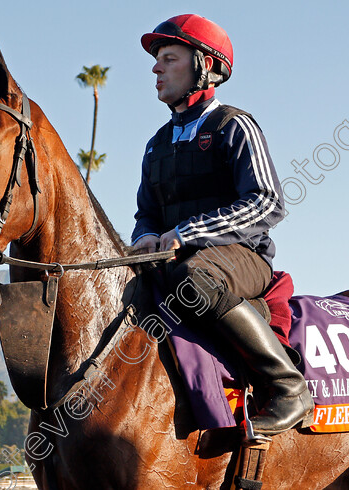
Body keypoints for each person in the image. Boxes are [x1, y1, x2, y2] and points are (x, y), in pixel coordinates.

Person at [131, 14, 313, 435]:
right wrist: (144, 239)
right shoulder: (155, 143)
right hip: (174, 261)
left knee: (195, 277)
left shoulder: (235, 125)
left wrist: (186, 234)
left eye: (169, 58)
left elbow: (267, 202)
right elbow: (146, 213)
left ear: (205, 66)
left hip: (243, 258)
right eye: (157, 60)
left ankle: (287, 386)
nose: (156, 68)